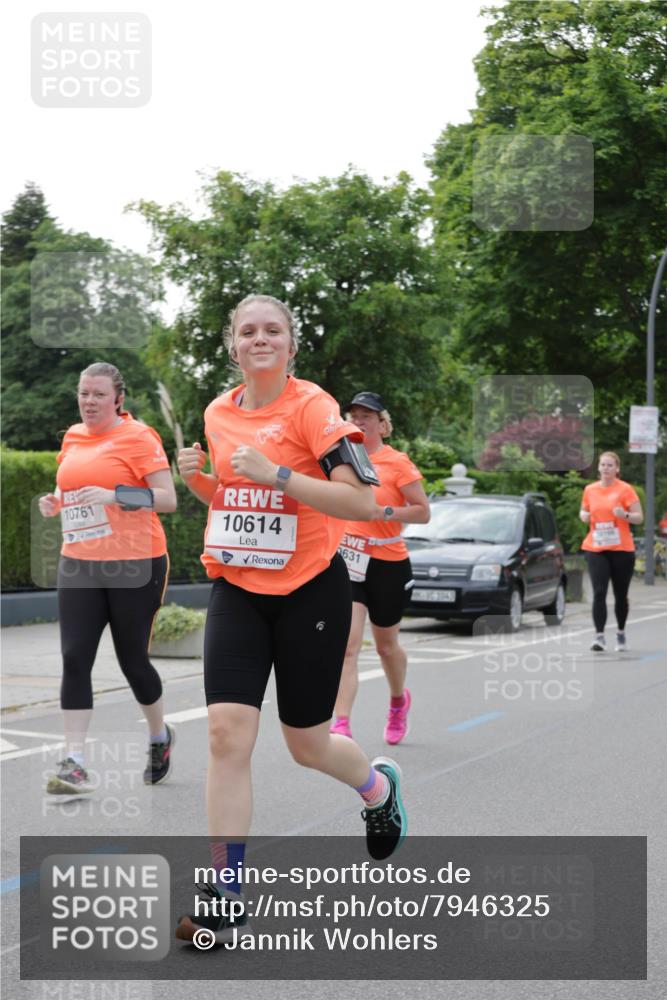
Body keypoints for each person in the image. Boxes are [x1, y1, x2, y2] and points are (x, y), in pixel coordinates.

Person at [174, 295, 407, 944]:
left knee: (305, 745)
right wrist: (196, 479)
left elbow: (360, 502)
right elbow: (233, 503)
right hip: (238, 588)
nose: (259, 339)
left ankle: (376, 790)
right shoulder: (219, 412)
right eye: (247, 331)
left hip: (310, 591)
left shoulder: (312, 407)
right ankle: (226, 890)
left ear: (291, 344)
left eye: (272, 330)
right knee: (225, 735)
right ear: (231, 345)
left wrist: (279, 473)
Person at [38, 362, 177, 794]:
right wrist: (55, 503)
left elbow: (168, 499)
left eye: (98, 394)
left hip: (136, 564)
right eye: (83, 393)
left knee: (132, 661)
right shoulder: (72, 437)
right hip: (79, 561)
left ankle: (159, 736)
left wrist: (117, 495)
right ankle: (74, 761)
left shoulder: (139, 438)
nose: (89, 402)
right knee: (75, 657)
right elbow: (72, 489)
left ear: (118, 398)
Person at [331, 393, 430, 744]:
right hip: (350, 562)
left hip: (388, 563)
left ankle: (397, 701)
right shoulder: (341, 460)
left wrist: (386, 513)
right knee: (347, 646)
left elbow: (422, 511)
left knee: (387, 647)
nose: (359, 421)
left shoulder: (397, 462)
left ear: (381, 423)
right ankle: (341, 723)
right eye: (354, 415)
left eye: (366, 416)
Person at [580, 451, 643, 651]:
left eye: (610, 465)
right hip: (596, 547)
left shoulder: (626, 490)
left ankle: (621, 634)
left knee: (620, 594)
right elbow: (584, 510)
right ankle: (599, 637)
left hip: (621, 549)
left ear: (617, 469)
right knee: (599, 592)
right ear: (598, 468)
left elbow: (639, 517)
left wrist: (623, 514)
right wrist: (584, 515)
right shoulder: (590, 489)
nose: (606, 468)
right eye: (603, 465)